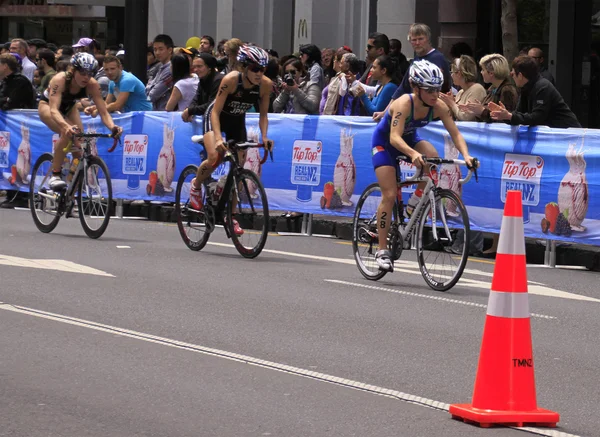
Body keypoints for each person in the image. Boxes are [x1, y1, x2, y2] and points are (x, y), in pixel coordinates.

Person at [370, 60, 476, 272]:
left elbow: (455, 133)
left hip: (409, 140)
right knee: (389, 195)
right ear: (416, 88)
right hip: (385, 144)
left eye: (437, 88)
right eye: (429, 90)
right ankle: (382, 251)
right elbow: (393, 137)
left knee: (433, 157)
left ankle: (415, 201)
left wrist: (467, 156)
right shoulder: (402, 103)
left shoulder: (439, 106)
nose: (435, 94)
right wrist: (412, 153)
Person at [187, 45, 274, 236]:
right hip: (217, 117)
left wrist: (265, 137)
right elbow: (215, 111)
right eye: (255, 69)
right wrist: (218, 139)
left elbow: (263, 116)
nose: (259, 73)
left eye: (263, 69)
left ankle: (230, 215)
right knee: (214, 157)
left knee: (239, 168)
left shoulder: (266, 85)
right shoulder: (230, 80)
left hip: (237, 120)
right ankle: (195, 184)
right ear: (243, 67)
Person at [38, 53, 122, 190]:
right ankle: (55, 174)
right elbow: (54, 110)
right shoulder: (60, 79)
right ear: (73, 70)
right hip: (48, 107)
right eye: (82, 73)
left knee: (80, 145)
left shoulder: (92, 85)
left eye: (90, 74)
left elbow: (103, 112)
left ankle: (70, 196)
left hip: (69, 107)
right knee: (68, 132)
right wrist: (66, 126)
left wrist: (113, 127)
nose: (86, 77)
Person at [374, 23, 451, 122]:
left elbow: (443, 90)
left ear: (428, 39)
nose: (417, 43)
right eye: (414, 40)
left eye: (420, 39)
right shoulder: (416, 60)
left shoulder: (438, 59)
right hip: (414, 115)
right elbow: (403, 88)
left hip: (434, 117)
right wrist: (385, 112)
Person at [489, 55, 581, 128]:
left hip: (568, 134)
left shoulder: (542, 87)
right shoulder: (525, 88)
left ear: (520, 75)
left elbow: (537, 117)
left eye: (512, 73)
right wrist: (505, 115)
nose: (511, 76)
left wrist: (510, 116)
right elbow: (519, 114)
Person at [85, 55, 152, 115]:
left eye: (112, 69)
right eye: (106, 69)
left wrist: (97, 111)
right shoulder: (112, 82)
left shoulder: (127, 80)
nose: (109, 72)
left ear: (120, 67)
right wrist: (93, 108)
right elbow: (107, 103)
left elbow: (118, 105)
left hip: (145, 115)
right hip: (132, 115)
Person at [439, 55, 486, 121]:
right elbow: (454, 117)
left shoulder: (477, 89)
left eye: (452, 72)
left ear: (459, 74)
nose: (451, 75)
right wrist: (449, 103)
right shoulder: (460, 92)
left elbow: (466, 117)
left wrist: (452, 103)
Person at [182, 53, 223, 122]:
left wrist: (191, 110)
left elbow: (212, 105)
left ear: (209, 67)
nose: (195, 70)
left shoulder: (219, 80)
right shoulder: (202, 79)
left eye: (199, 66)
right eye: (194, 67)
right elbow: (196, 99)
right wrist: (190, 110)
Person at [146, 34, 174, 110]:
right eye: (155, 50)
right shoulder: (158, 67)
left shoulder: (171, 69)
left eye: (161, 49)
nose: (157, 53)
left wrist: (149, 91)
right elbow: (148, 89)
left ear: (170, 50)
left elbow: (153, 94)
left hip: (165, 112)